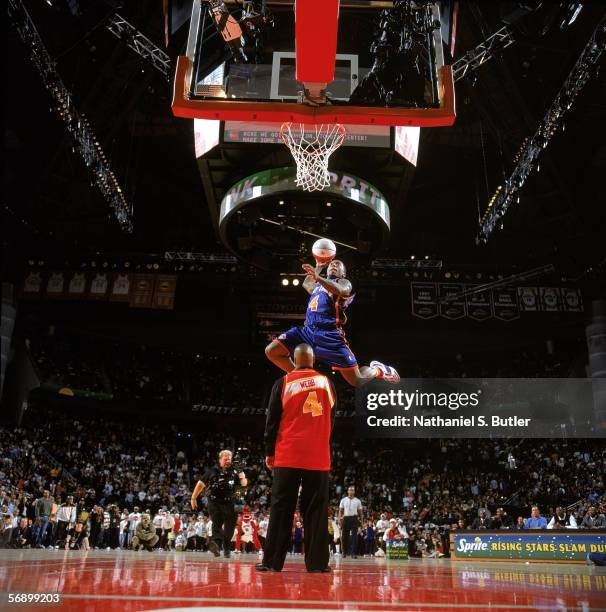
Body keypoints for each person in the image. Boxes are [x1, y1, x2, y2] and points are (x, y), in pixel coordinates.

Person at [257, 343, 336, 573]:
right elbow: (332, 420)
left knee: (281, 508)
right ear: (312, 360)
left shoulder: (283, 383)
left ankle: (272, 562)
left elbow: (271, 423)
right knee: (317, 510)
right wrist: (321, 442)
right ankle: (318, 564)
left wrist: (269, 452)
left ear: (294, 359)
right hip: (318, 458)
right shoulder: (327, 383)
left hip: (287, 455)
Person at [265, 259, 399, 387]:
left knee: (357, 380)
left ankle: (379, 370)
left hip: (330, 336)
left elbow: (343, 290)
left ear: (343, 273)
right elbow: (307, 284)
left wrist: (318, 277)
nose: (333, 265)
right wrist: (319, 266)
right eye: (331, 264)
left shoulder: (343, 282)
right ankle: (302, 378)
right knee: (272, 351)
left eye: (338, 264)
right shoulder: (319, 285)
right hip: (307, 332)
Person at [191, 450, 248, 558]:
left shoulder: (236, 471)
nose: (227, 461)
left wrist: (241, 475)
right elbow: (200, 484)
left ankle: (226, 548)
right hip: (214, 501)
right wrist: (193, 498)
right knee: (216, 523)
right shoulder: (212, 471)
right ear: (220, 460)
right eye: (225, 459)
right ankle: (216, 545)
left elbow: (244, 485)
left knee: (230, 527)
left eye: (229, 459)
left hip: (231, 502)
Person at [339, 486, 363, 558]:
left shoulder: (358, 501)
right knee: (344, 536)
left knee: (354, 536)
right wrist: (339, 520)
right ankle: (344, 552)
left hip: (354, 518)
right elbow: (340, 511)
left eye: (352, 490)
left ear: (354, 492)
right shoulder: (343, 500)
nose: (351, 491)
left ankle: (353, 553)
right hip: (346, 518)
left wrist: (361, 522)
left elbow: (360, 513)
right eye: (350, 490)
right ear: (348, 491)